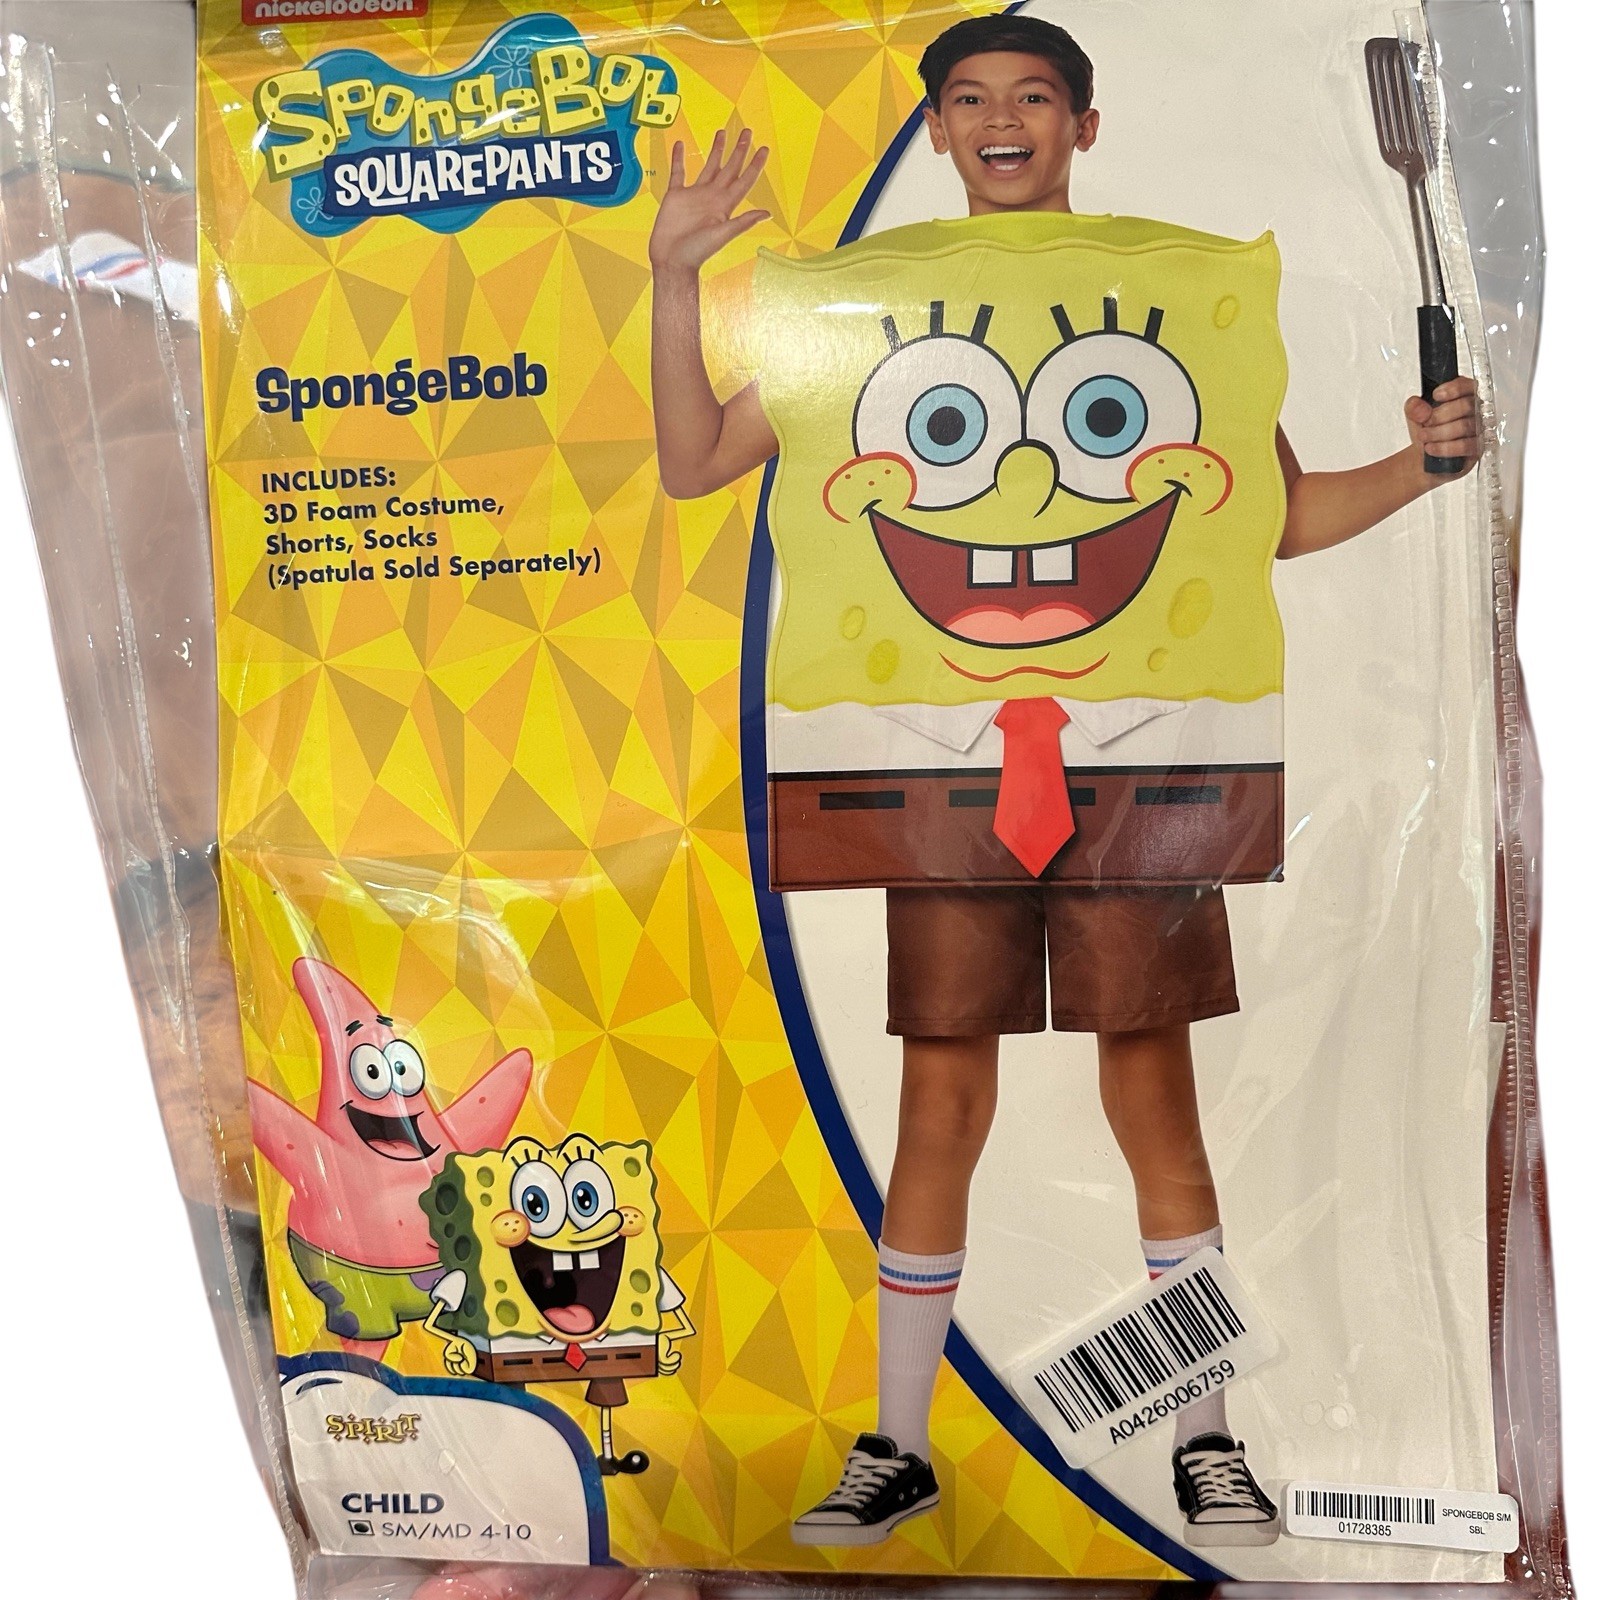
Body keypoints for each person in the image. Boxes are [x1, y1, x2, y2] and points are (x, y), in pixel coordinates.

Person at [648, 11, 1481, 1550]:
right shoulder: (870, 311)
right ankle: (899, 1446)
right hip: (939, 775)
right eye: (969, 98)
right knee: (940, 1102)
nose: (1001, 120)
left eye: (1033, 95)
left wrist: (1426, 464)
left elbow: (1275, 517)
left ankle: (1204, 1446)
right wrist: (675, 278)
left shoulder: (1167, 309)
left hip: (1140, 772)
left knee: (1152, 1095)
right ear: (936, 129)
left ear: (1085, 124)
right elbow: (698, 459)